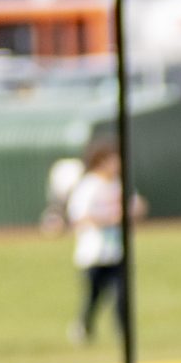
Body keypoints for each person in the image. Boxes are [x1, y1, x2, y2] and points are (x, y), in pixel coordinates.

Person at [66, 136, 140, 343]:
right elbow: (78, 217)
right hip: (94, 254)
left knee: (122, 295)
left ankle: (124, 335)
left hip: (117, 251)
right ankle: (84, 327)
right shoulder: (88, 185)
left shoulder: (119, 184)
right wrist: (109, 219)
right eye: (114, 159)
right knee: (94, 296)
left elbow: (137, 206)